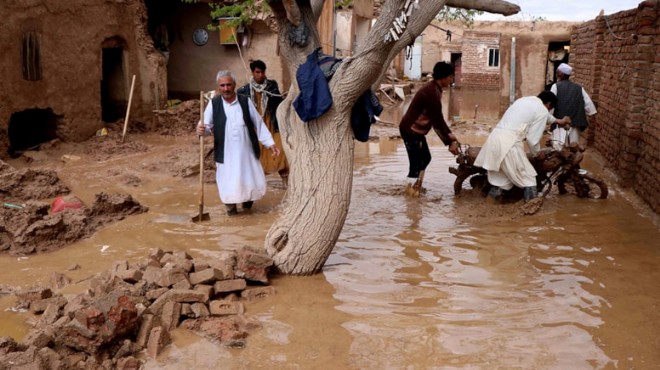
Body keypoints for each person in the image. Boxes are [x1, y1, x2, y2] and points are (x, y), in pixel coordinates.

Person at [197, 70, 281, 216]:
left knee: (248, 180)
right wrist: (201, 130)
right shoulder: (213, 104)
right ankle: (232, 212)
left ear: (234, 85)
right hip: (226, 153)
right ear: (218, 87)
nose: (226, 88)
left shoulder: (244, 101)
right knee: (228, 183)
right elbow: (206, 128)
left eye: (229, 85)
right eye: (222, 85)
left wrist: (270, 143)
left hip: (246, 152)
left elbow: (258, 124)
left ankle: (248, 211)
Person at [474, 91, 572, 202]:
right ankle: (529, 214)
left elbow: (545, 116)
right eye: (549, 109)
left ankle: (488, 208)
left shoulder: (524, 101)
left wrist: (559, 121)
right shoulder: (542, 111)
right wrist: (537, 153)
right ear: (549, 104)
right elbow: (532, 139)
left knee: (502, 182)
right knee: (529, 179)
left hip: (494, 140)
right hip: (509, 144)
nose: (548, 111)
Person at [399, 61, 460, 190]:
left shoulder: (435, 89)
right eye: (450, 77)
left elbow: (439, 118)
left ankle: (416, 187)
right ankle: (410, 192)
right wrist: (449, 142)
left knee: (425, 158)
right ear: (443, 78)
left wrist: (449, 134)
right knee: (417, 163)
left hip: (415, 131)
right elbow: (437, 122)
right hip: (410, 130)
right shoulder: (432, 93)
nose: (451, 80)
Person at [237, 60, 289, 188]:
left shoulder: (272, 86)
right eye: (257, 72)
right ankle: (256, 185)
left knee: (280, 151)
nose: (260, 75)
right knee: (256, 154)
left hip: (271, 124)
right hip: (255, 127)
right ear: (252, 73)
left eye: (262, 72)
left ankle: (285, 183)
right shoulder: (244, 90)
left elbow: (278, 103)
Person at [549, 63, 598, 150]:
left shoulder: (555, 86)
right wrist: (592, 115)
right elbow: (589, 106)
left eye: (558, 72)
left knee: (558, 148)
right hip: (575, 123)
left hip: (560, 123)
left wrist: (550, 118)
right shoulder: (579, 88)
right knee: (573, 147)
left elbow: (551, 105)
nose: (556, 74)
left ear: (563, 74)